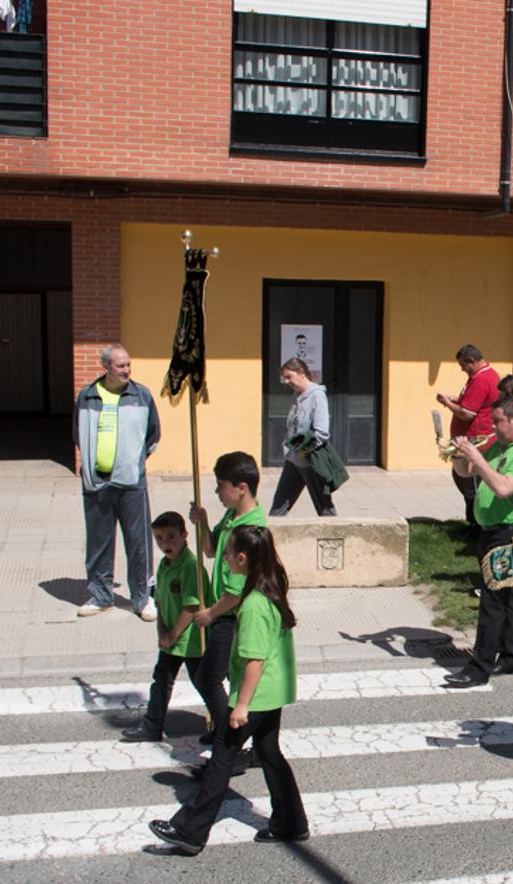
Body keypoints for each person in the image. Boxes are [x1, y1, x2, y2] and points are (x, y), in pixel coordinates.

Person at [149, 526, 307, 855]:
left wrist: (240, 706)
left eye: (227, 552)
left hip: (257, 694)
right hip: (272, 691)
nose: (222, 557)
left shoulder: (252, 606)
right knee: (269, 754)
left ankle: (190, 831)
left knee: (222, 759)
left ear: (241, 559)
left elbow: (254, 660)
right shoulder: (268, 589)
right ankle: (292, 823)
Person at [443, 399, 513, 689]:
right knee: (505, 597)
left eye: (498, 421)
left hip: (509, 534)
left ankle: (479, 668)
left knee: (492, 601)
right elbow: (467, 473)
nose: (493, 427)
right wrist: (459, 454)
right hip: (491, 531)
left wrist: (476, 457)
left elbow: (503, 488)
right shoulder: (501, 446)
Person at [188, 451, 267, 778]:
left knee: (209, 677)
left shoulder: (250, 529)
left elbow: (236, 592)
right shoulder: (232, 518)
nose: (217, 491)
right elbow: (209, 550)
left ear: (242, 487)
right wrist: (203, 522)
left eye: (221, 486)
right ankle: (247, 741)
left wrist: (209, 613)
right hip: (224, 610)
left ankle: (230, 741)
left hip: (232, 615)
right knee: (223, 679)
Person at [74, 344, 162, 619]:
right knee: (98, 541)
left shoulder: (141, 395)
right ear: (106, 368)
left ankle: (143, 598)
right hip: (96, 482)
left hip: (131, 483)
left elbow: (153, 434)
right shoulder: (86, 396)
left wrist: (132, 463)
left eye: (127, 364)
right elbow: (78, 433)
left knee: (138, 541)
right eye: (120, 366)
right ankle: (101, 595)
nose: (126, 370)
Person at [121, 511, 209, 743]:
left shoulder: (190, 566)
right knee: (161, 681)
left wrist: (172, 635)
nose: (165, 544)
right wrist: (162, 631)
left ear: (184, 535)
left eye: (171, 537)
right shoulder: (163, 565)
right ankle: (152, 726)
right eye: (159, 538)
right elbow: (159, 600)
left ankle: (222, 723)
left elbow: (191, 606)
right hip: (170, 638)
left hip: (189, 640)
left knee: (205, 684)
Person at [436, 345, 500, 533]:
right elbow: (472, 403)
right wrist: (456, 399)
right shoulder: (480, 377)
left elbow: (467, 413)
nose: (463, 369)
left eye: (464, 366)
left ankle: (477, 525)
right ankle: (474, 523)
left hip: (475, 441)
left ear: (472, 361)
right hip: (469, 440)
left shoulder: (482, 379)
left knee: (470, 482)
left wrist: (447, 404)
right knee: (462, 478)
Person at [268, 358, 336, 517]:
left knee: (324, 508)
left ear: (301, 373)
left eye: (288, 376)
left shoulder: (317, 396)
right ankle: (266, 538)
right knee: (278, 506)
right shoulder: (296, 395)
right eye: (285, 377)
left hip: (310, 461)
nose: (286, 381)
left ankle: (335, 537)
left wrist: (302, 451)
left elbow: (321, 433)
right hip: (292, 460)